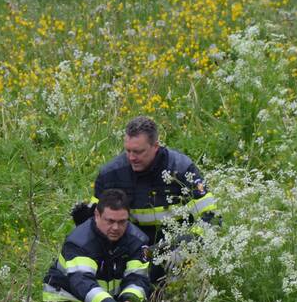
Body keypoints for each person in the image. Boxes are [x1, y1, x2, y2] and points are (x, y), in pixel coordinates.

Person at [90, 116, 218, 283]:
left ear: (155, 146)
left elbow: (212, 217)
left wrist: (188, 242)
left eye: (138, 152)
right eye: (127, 151)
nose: (131, 157)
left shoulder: (181, 169)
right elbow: (95, 223)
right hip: (131, 251)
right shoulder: (110, 174)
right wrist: (84, 219)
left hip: (175, 249)